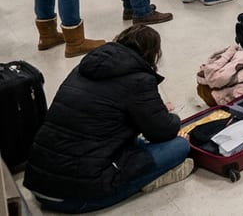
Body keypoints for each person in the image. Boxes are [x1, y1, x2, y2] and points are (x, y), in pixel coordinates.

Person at [23, 25, 194, 213]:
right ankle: (150, 180)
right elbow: (161, 131)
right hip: (77, 196)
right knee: (179, 146)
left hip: (38, 183)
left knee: (128, 141)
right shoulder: (139, 80)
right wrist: (172, 119)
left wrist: (154, 111)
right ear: (152, 54)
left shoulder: (82, 68)